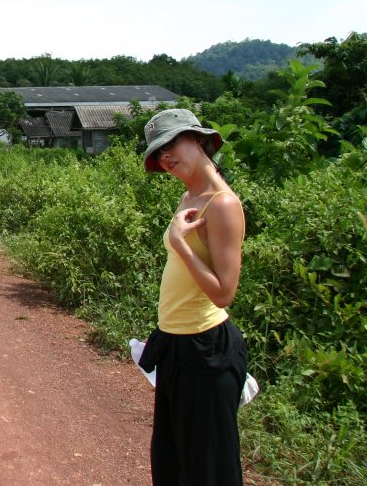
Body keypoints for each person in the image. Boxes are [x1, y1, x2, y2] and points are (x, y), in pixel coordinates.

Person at [137, 109, 248, 486]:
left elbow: (224, 293)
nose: (166, 155)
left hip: (206, 350)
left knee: (208, 470)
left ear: (199, 140)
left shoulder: (222, 204)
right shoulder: (189, 196)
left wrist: (181, 245)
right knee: (172, 463)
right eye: (159, 151)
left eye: (171, 143)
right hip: (175, 345)